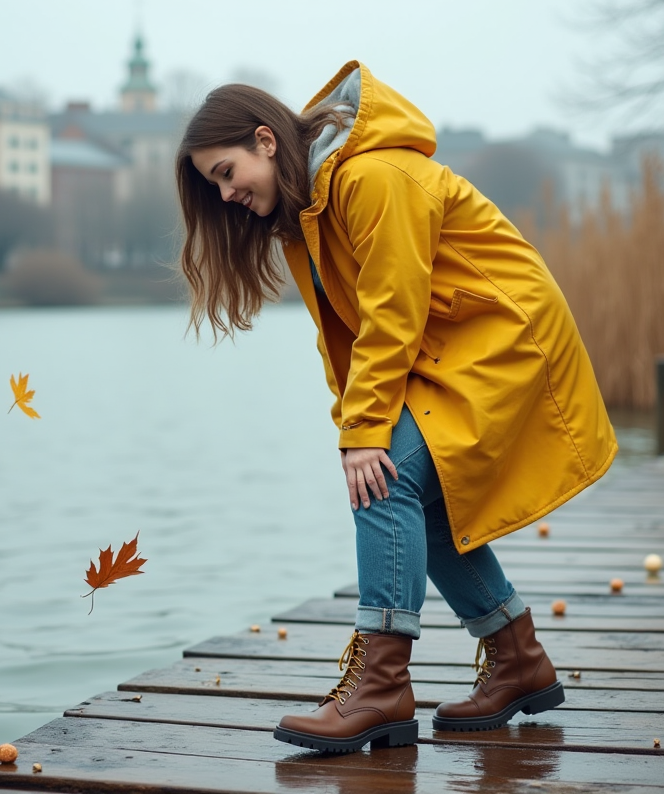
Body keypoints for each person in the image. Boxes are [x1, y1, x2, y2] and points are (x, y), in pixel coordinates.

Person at [175, 60, 617, 754]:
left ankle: (382, 687)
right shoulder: (309, 212)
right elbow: (346, 344)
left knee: (386, 479)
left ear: (266, 141)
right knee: (415, 492)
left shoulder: (370, 176)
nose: (226, 193)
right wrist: (357, 427)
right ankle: (518, 659)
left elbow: (394, 314)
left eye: (227, 173)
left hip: (501, 335)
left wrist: (365, 435)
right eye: (215, 185)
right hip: (450, 346)